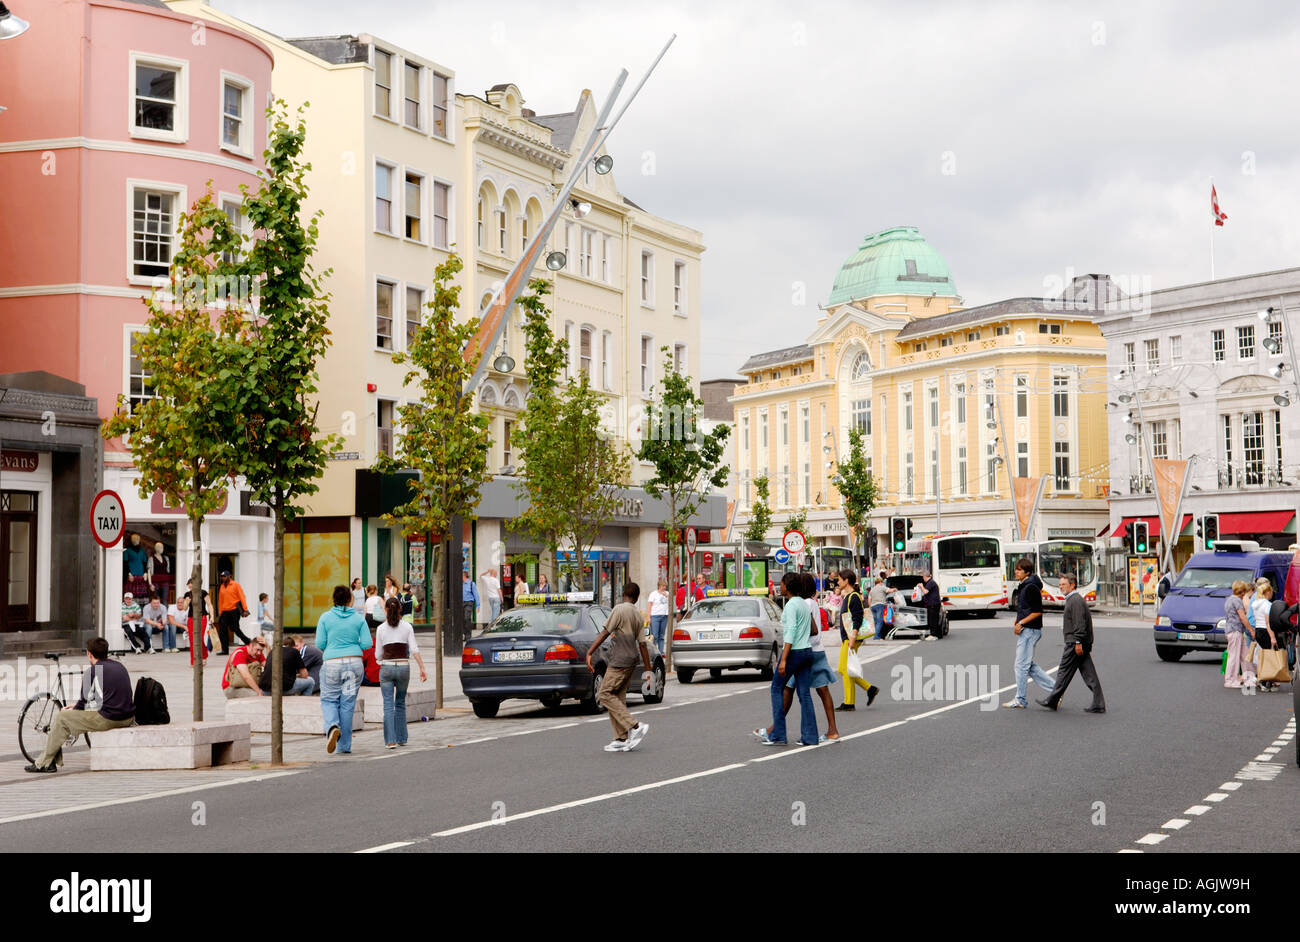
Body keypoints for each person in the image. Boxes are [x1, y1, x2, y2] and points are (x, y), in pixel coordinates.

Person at [25, 638, 135, 773]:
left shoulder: (93, 671)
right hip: (128, 718)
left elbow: (82, 704)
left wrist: (74, 710)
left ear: (89, 654)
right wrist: (77, 706)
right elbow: (105, 696)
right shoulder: (119, 666)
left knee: (62, 718)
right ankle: (50, 761)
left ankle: (44, 763)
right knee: (66, 717)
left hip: (110, 719)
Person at [756, 572, 840, 742]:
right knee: (805, 694)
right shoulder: (804, 604)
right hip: (808, 651)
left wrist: (784, 658)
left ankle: (778, 734)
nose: (780, 586)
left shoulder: (792, 605)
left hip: (795, 651)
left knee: (776, 689)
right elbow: (814, 629)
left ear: (788, 586)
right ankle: (809, 737)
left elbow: (791, 631)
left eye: (782, 584)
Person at [585, 582, 653, 752]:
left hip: (620, 661)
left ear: (623, 594)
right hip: (632, 661)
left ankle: (636, 726)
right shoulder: (637, 615)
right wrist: (648, 670)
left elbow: (605, 632)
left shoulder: (619, 609)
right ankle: (621, 739)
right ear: (636, 598)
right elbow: (643, 645)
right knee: (618, 697)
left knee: (604, 694)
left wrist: (590, 652)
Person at [315, 585, 373, 755]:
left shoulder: (325, 618)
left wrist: (333, 645)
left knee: (329, 700)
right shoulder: (358, 619)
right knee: (347, 704)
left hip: (332, 663)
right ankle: (344, 746)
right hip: (354, 664)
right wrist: (354, 644)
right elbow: (367, 644)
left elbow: (320, 644)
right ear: (350, 599)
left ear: (333, 599)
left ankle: (332, 726)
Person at [1037, 572, 1105, 713]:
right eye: (1060, 584)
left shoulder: (1075, 600)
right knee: (1089, 674)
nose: (1061, 587)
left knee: (1063, 671)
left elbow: (1079, 623)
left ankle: (1052, 700)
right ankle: (1098, 703)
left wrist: (1078, 642)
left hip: (1074, 643)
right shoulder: (1074, 599)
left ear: (1072, 585)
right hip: (1077, 642)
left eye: (1064, 584)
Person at [375, 596, 428, 748]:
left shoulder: (381, 629)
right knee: (400, 702)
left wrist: (382, 660)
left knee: (387, 704)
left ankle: (390, 741)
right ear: (400, 609)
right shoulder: (407, 627)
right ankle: (402, 737)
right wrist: (422, 668)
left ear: (385, 610)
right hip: (404, 667)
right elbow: (414, 649)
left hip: (386, 667)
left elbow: (378, 654)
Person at [1004, 557, 1057, 709]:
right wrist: (1017, 620)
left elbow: (1037, 611)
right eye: (1016, 569)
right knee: (1027, 665)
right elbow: (1025, 608)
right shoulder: (1025, 585)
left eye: (1019, 569)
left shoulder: (1030, 587)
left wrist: (1021, 622)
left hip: (1030, 630)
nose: (1016, 571)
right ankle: (1055, 689)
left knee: (1020, 666)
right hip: (1028, 629)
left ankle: (1020, 699)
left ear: (1027, 572)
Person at [834, 569, 878, 711]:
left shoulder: (854, 597)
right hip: (848, 638)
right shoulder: (849, 596)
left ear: (846, 581)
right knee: (842, 669)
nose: (838, 582)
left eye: (840, 579)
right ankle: (869, 688)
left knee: (846, 670)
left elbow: (857, 619)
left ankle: (849, 702)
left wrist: (853, 638)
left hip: (851, 638)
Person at [1222, 580, 1255, 689]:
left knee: (1243, 654)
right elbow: (1242, 617)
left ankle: (1248, 678)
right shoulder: (1237, 601)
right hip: (1235, 630)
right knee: (1234, 656)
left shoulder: (1229, 599)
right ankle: (1231, 680)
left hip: (1232, 630)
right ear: (1242, 591)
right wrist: (1250, 629)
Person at [216, 570, 252, 654]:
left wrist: (245, 609)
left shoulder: (235, 585)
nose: (223, 578)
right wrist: (220, 612)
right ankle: (225, 650)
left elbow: (242, 596)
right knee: (222, 630)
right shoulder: (222, 586)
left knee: (234, 628)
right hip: (225, 611)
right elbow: (220, 600)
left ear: (229, 576)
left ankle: (247, 641)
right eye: (222, 576)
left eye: (224, 576)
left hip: (234, 610)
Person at [221, 635, 267, 699]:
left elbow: (269, 666)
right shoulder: (240, 653)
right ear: (251, 645)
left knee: (268, 693)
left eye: (261, 650)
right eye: (257, 649)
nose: (259, 653)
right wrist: (259, 692)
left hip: (246, 685)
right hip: (232, 687)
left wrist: (268, 646)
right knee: (257, 695)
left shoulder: (258, 654)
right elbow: (246, 676)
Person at [646, 578, 670, 657]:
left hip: (664, 616)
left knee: (661, 635)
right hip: (655, 616)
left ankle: (661, 652)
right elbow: (649, 605)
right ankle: (653, 651)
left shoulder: (667, 593)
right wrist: (648, 617)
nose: (664, 588)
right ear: (659, 586)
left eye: (665, 586)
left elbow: (671, 603)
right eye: (663, 586)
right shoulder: (653, 594)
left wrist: (666, 596)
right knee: (655, 635)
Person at [919, 569, 943, 641]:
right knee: (934, 619)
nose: (923, 579)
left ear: (925, 576)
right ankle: (937, 634)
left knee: (932, 620)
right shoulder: (931, 582)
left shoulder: (930, 583)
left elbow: (925, 591)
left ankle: (933, 634)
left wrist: (921, 586)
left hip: (933, 604)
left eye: (923, 577)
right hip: (934, 604)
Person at [868, 576, 889, 640]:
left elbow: (869, 599)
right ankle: (876, 636)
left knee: (876, 621)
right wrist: (895, 589)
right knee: (880, 621)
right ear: (880, 582)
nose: (882, 583)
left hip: (873, 606)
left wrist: (870, 607)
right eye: (882, 582)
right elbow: (889, 590)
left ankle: (878, 635)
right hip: (880, 605)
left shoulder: (872, 589)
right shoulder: (881, 587)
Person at [461, 570, 479, 643]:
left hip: (469, 603)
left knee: (467, 618)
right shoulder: (460, 584)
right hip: (461, 603)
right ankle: (464, 634)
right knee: (462, 619)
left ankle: (468, 636)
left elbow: (476, 595)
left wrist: (478, 605)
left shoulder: (471, 584)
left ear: (464, 576)